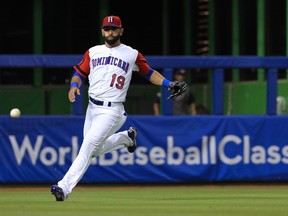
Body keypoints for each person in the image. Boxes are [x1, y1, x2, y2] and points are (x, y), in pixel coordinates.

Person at [50, 15, 182, 201]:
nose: (110, 32)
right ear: (102, 31)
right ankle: (126, 138)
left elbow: (149, 73)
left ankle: (63, 188)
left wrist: (168, 83)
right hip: (92, 108)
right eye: (107, 28)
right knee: (93, 151)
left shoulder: (131, 54)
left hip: (112, 110)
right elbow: (79, 73)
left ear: (121, 30)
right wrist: (73, 86)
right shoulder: (93, 52)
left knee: (87, 147)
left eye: (113, 28)